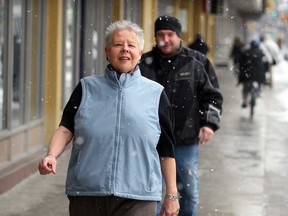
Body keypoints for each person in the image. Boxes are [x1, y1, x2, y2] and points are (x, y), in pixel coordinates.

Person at [38, 20, 180, 216]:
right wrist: (51, 155)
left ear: (140, 53)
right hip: (87, 193)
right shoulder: (86, 88)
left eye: (131, 45)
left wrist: (171, 194)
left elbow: (166, 149)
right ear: (106, 51)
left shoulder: (155, 94)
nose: (125, 50)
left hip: (138, 196)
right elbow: (65, 128)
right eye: (117, 44)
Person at [139, 15, 223, 216]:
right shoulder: (144, 63)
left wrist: (209, 124)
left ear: (179, 36)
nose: (165, 39)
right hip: (152, 142)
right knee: (153, 193)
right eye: (160, 34)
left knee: (188, 192)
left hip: (185, 141)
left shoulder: (197, 61)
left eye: (170, 34)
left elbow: (213, 96)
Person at [238, 40, 265, 107]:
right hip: (258, 75)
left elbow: (239, 61)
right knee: (259, 83)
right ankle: (259, 92)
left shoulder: (246, 52)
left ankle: (244, 100)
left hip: (247, 73)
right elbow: (265, 63)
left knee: (245, 88)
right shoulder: (261, 52)